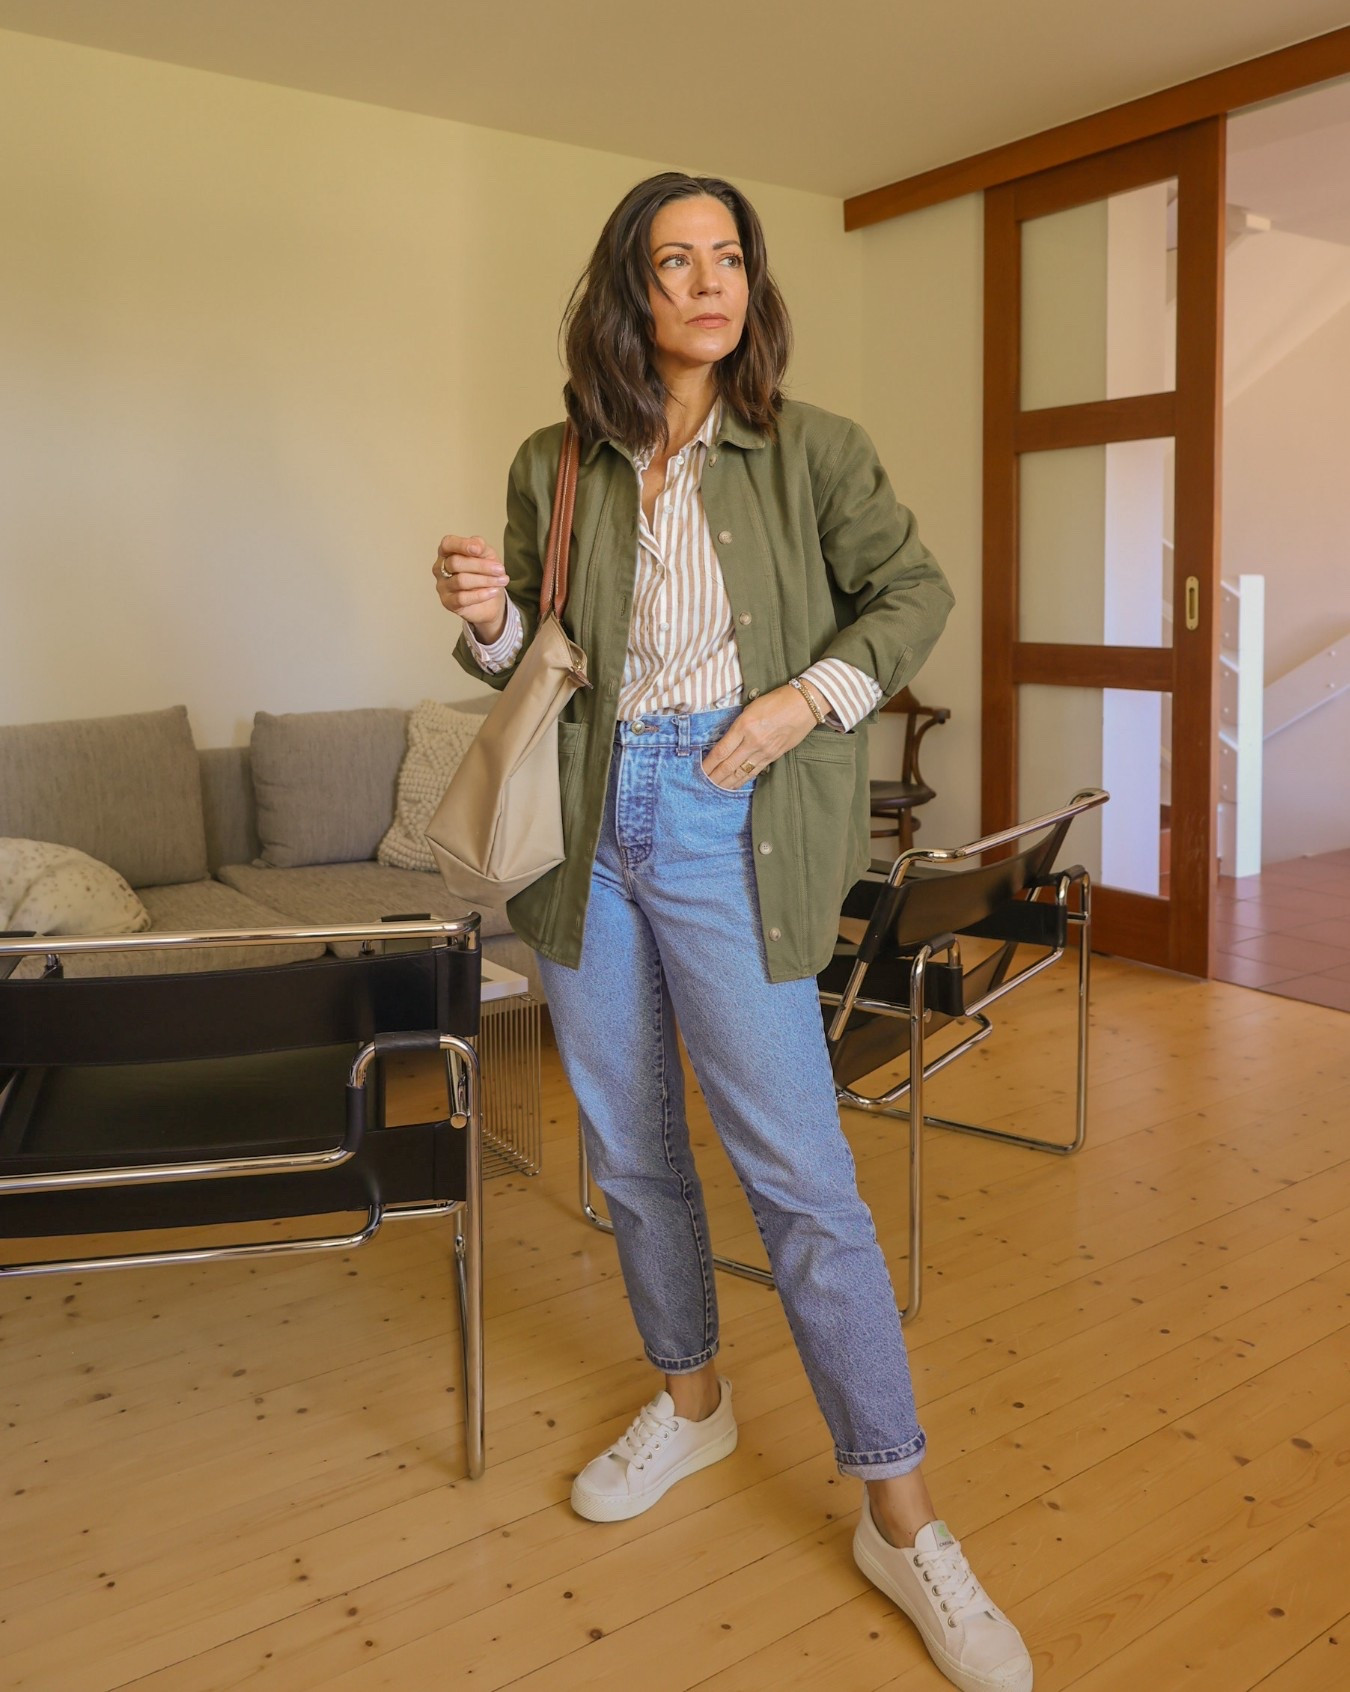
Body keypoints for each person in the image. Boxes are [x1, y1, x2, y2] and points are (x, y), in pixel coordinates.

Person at [434, 172, 1033, 1692]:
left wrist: (797, 704)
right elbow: (536, 661)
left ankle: (898, 1514)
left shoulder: (810, 450)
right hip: (585, 824)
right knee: (630, 1150)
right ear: (627, 295)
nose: (705, 282)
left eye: (726, 257)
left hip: (725, 814)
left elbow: (910, 592)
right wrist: (488, 612)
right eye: (670, 261)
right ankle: (693, 1405)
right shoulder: (554, 460)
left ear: (751, 287)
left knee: (798, 1176)